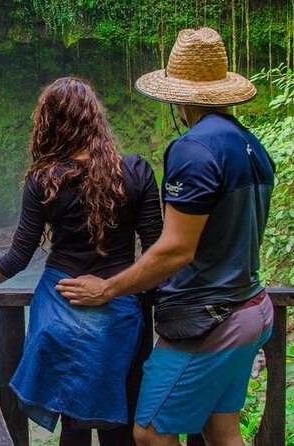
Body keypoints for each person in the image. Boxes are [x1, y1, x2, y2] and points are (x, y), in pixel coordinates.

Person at [56, 28, 275, 446]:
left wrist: (109, 288)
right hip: (252, 307)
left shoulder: (193, 149)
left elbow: (175, 248)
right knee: (222, 431)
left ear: (178, 95)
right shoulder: (252, 146)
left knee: (151, 432)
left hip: (209, 318)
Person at [0, 77, 163, 446]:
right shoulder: (136, 172)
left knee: (72, 422)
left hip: (59, 308)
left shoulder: (45, 180)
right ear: (95, 119)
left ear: (49, 123)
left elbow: (17, 258)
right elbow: (157, 253)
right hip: (119, 308)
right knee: (121, 414)